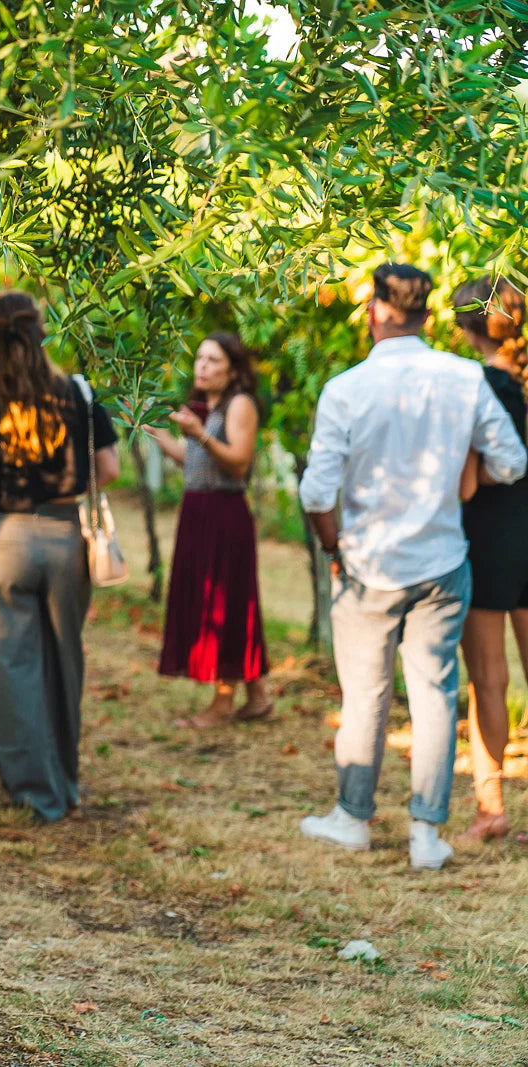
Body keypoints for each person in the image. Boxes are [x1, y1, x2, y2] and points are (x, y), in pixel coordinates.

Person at [297, 263, 526, 870]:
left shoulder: (345, 388)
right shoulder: (463, 378)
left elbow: (317, 494)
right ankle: (427, 834)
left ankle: (352, 817)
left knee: (366, 692)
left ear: (374, 312)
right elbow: (509, 461)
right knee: (434, 694)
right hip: (442, 561)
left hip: (368, 561)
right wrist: (462, 475)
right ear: (427, 316)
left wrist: (331, 548)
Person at [0, 291, 120, 824]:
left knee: (9, 669)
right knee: (64, 661)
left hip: (3, 541)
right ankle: (65, 784)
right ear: (42, 332)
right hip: (65, 536)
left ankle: (35, 791)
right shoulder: (77, 394)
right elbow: (109, 468)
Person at [145, 333, 272, 728]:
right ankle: (258, 698)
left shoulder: (240, 405)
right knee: (227, 600)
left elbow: (237, 462)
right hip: (198, 510)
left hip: (224, 513)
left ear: (232, 370)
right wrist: (154, 429)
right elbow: (194, 460)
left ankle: (221, 704)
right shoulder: (211, 407)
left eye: (213, 360)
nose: (202, 366)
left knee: (227, 603)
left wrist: (199, 433)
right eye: (199, 358)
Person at [452, 277, 528, 843]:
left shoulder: (473, 386)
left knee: (488, 680)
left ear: (465, 326)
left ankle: (491, 808)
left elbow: (470, 483)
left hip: (490, 535)